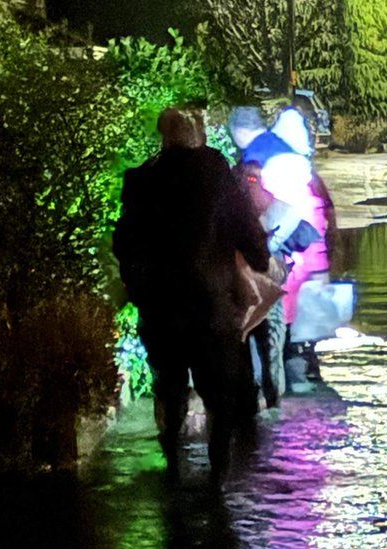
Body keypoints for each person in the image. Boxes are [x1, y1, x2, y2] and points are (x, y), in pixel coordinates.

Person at [113, 108, 270, 482]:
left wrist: (136, 288)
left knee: (169, 382)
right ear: (197, 135)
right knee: (219, 388)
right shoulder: (218, 176)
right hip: (211, 303)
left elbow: (125, 241)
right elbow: (245, 224)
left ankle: (172, 460)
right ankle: (218, 468)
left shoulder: (142, 180)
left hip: (161, 304)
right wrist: (258, 258)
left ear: (163, 138)